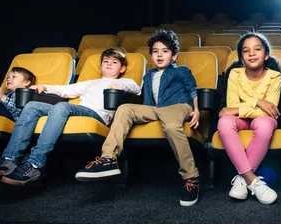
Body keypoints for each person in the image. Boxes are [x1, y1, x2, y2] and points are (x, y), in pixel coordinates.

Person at [75, 30, 202, 207]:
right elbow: (146, 102)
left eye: (165, 51)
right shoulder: (148, 76)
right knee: (125, 108)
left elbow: (193, 89)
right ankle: (108, 159)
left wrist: (196, 110)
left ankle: (191, 177)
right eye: (156, 51)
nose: (159, 55)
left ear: (174, 56)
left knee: (172, 127)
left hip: (178, 105)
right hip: (155, 109)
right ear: (151, 55)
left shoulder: (181, 70)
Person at [0, 48, 140, 184]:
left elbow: (136, 88)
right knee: (32, 106)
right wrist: (45, 87)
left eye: (114, 62)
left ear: (122, 68)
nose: (108, 64)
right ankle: (10, 159)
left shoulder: (125, 81)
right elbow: (65, 89)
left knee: (62, 106)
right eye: (106, 61)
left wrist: (119, 85)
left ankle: (34, 163)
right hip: (79, 109)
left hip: (96, 115)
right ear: (101, 66)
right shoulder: (90, 83)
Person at [217, 33, 281, 205]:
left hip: (264, 120)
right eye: (246, 51)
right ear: (241, 58)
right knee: (224, 121)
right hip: (241, 121)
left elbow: (268, 112)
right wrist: (258, 101)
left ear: (266, 55)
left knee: (263, 123)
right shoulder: (235, 73)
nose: (251, 53)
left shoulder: (275, 76)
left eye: (257, 49)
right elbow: (229, 109)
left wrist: (240, 109)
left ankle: (243, 180)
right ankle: (254, 182)